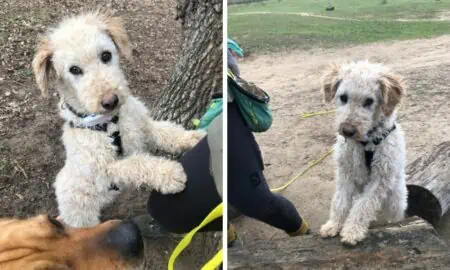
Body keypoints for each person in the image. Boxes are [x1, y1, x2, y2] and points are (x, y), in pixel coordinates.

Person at [227, 39, 309, 244]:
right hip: (195, 117)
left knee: (257, 202)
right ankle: (229, 239)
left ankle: (303, 235)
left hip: (222, 112)